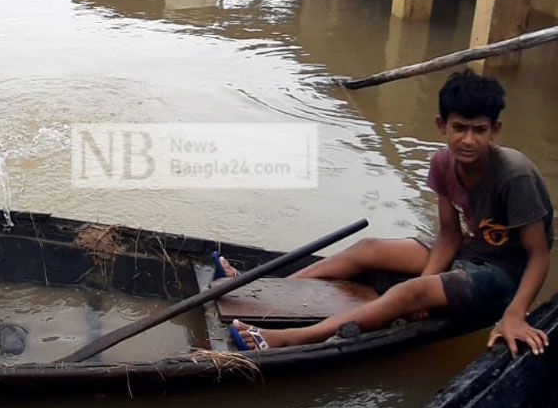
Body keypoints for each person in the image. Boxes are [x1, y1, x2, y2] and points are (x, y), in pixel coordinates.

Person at [221, 70, 552, 356]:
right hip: (469, 249)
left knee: (408, 292)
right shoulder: (443, 162)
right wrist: (428, 281)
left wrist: (515, 314)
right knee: (370, 249)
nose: (468, 139)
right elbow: (449, 235)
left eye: (479, 130)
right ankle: (264, 294)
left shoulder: (514, 175)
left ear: (495, 130)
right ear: (442, 126)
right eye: (459, 127)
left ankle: (287, 338)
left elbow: (538, 256)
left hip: (503, 273)